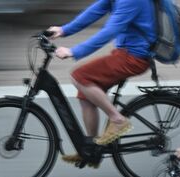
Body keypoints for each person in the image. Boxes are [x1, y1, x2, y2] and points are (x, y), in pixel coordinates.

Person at [46, 0, 157, 166]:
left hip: (134, 56)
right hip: (125, 52)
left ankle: (118, 120)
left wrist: (74, 51)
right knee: (86, 94)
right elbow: (95, 11)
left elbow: (110, 31)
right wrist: (64, 30)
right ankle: (91, 149)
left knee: (79, 76)